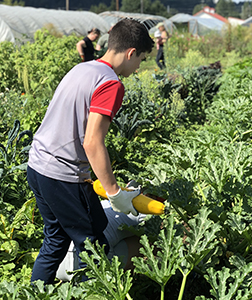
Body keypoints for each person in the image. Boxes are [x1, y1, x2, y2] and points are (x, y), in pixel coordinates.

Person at [27, 18, 154, 284]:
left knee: (56, 237)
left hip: (37, 167)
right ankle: (87, 291)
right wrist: (115, 193)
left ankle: (36, 291)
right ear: (131, 53)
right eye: (141, 59)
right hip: (63, 174)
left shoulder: (83, 69)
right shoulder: (111, 84)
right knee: (93, 244)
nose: (139, 66)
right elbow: (92, 142)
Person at [56, 199, 146, 281]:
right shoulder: (143, 211)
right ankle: (123, 280)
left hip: (57, 263)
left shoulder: (106, 202)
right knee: (146, 242)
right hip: (87, 269)